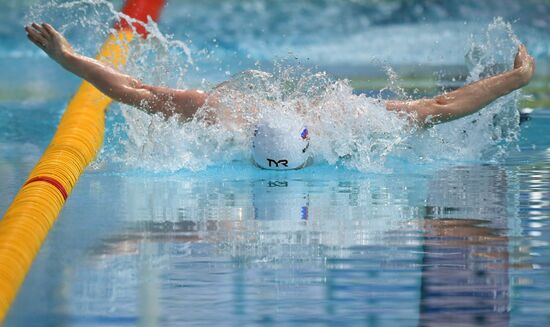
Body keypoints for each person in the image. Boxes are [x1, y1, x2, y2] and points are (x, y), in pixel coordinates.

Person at [24, 23, 535, 169]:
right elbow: (440, 109)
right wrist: (68, 59)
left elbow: (441, 109)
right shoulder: (225, 121)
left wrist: (72, 61)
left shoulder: (344, 119)